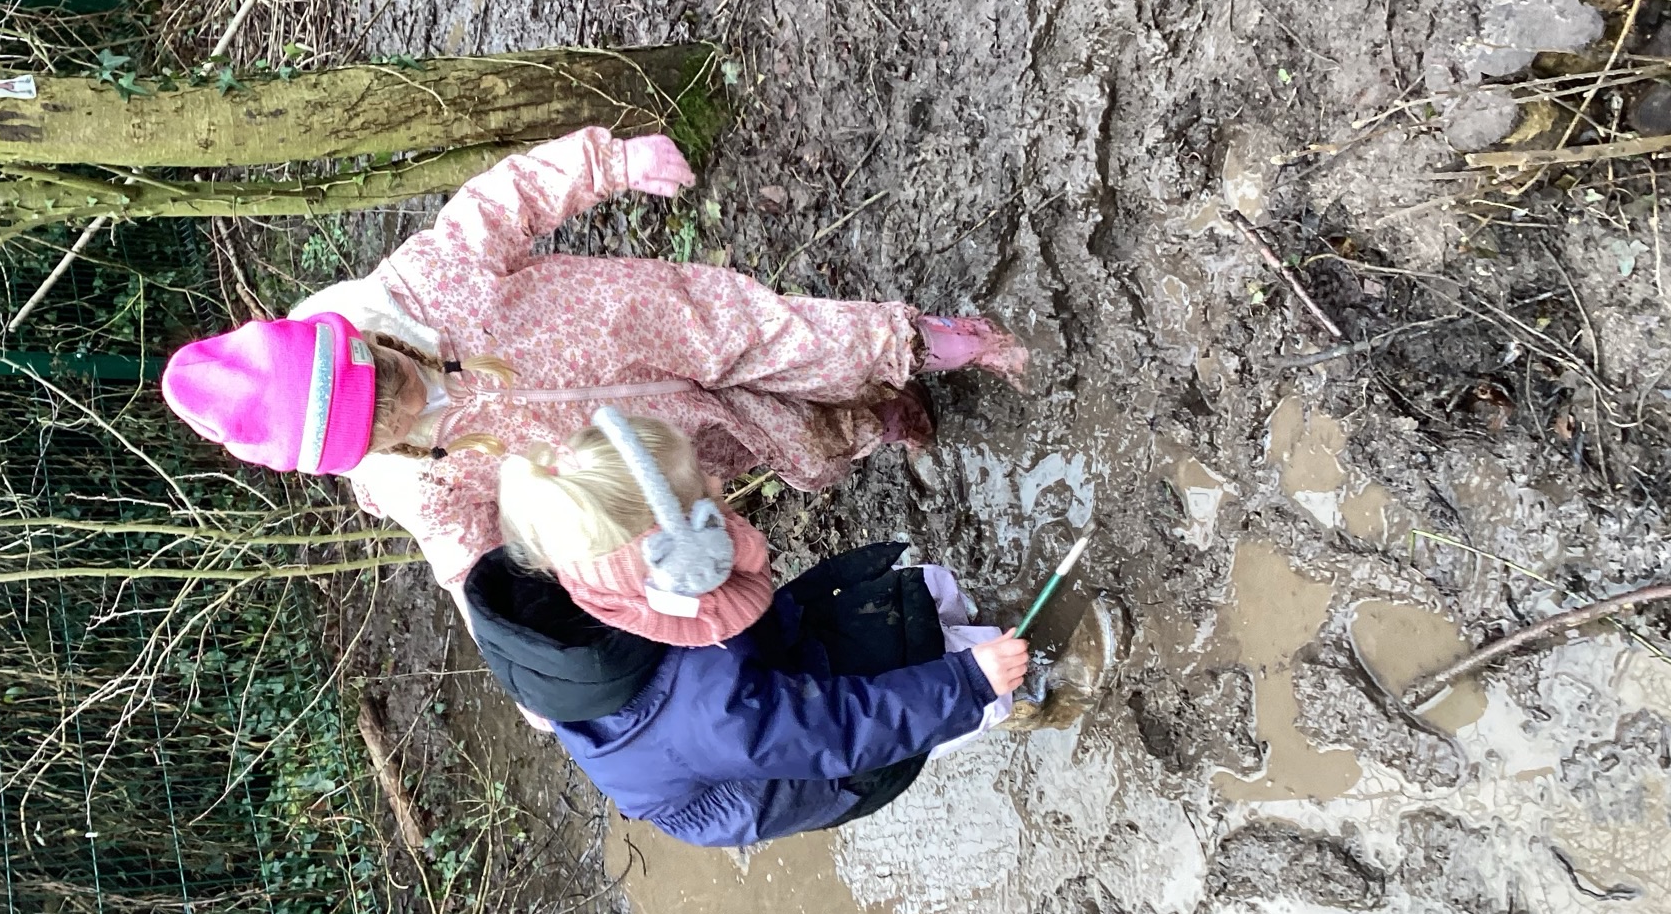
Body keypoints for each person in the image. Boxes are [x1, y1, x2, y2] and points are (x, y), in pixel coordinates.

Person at [159, 127, 1027, 606]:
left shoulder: (421, 285)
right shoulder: (410, 484)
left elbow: (508, 199)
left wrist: (609, 162)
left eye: (383, 378)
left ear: (359, 342)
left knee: (790, 340)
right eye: (377, 426)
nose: (399, 401)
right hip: (655, 443)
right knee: (785, 438)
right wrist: (513, 645)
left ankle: (949, 342)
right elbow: (465, 560)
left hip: (661, 324)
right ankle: (876, 416)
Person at [461, 409, 1029, 848]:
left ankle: (969, 644)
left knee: (918, 599)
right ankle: (1022, 697)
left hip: (741, 688)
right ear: (673, 563)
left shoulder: (592, 576)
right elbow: (840, 731)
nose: (715, 480)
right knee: (966, 690)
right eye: (704, 498)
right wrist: (971, 683)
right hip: (784, 771)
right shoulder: (714, 714)